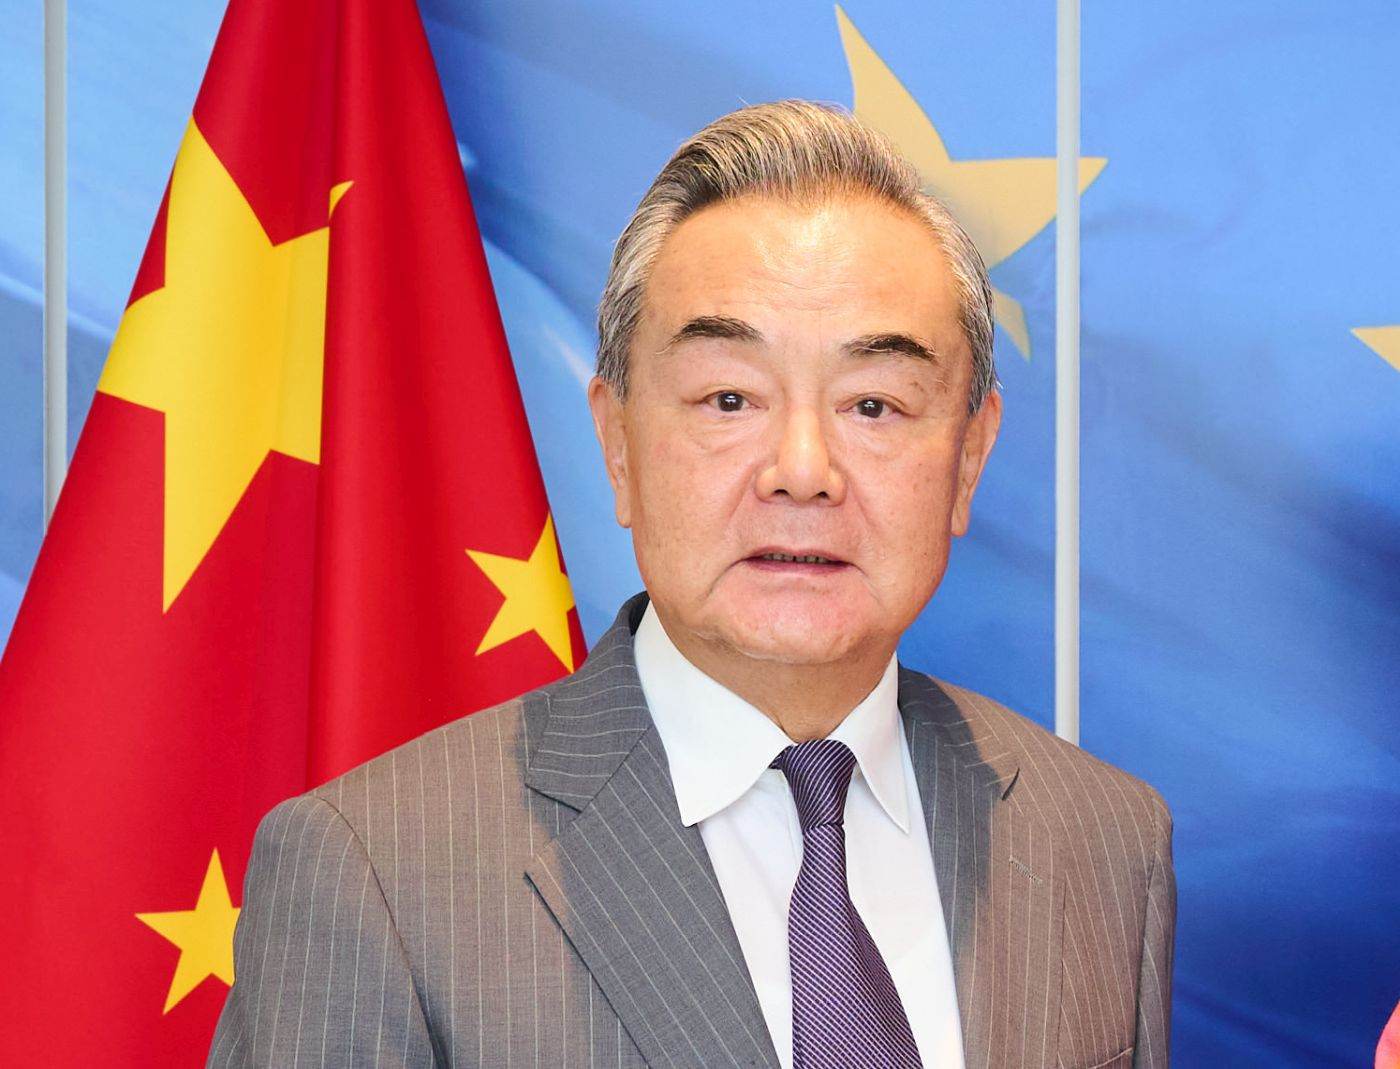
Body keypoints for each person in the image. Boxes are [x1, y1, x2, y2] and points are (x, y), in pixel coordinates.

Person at [208, 100, 1175, 1069]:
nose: (802, 469)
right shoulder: (375, 871)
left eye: (874, 405)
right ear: (616, 443)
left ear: (968, 457)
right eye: (729, 398)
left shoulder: (1100, 840)